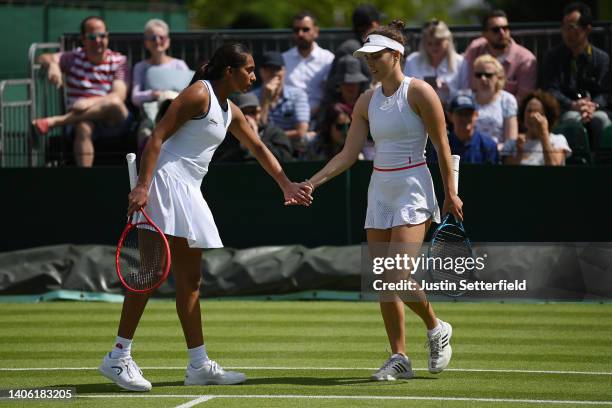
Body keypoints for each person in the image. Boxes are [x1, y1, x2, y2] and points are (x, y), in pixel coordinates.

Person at [98, 43, 312, 392]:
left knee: (192, 279)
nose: (254, 77)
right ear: (229, 71)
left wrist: (286, 184)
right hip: (163, 184)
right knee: (151, 272)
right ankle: (118, 356)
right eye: (249, 70)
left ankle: (198, 364)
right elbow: (158, 136)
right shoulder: (199, 93)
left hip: (189, 189)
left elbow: (258, 147)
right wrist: (142, 186)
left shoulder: (232, 111)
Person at [302, 20, 461, 381]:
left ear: (396, 54)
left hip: (413, 186)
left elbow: (442, 145)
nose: (369, 62)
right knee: (383, 279)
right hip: (380, 189)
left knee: (395, 275)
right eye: (366, 56)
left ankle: (436, 328)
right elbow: (347, 154)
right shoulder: (365, 101)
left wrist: (451, 191)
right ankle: (400, 357)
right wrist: (313, 182)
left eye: (376, 55)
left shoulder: (421, 92)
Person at [32, 16, 130, 167]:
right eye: (92, 36)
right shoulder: (74, 57)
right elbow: (43, 57)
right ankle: (85, 179)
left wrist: (88, 102)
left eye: (102, 36)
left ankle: (56, 121)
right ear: (83, 39)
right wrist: (53, 65)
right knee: (83, 127)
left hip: (113, 120)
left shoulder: (119, 61)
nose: (98, 40)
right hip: (80, 119)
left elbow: (119, 95)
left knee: (115, 103)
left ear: (107, 37)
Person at [542, 2, 611, 149]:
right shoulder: (553, 57)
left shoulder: (602, 58)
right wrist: (572, 104)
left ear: (587, 29)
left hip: (595, 110)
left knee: (602, 121)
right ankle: (576, 166)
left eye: (571, 27)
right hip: (565, 110)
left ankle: (601, 164)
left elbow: (606, 92)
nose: (566, 32)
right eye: (564, 27)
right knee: (572, 121)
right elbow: (551, 89)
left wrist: (593, 105)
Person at [131, 19, 190, 152]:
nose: (157, 41)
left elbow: (190, 91)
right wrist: (153, 94)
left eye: (161, 37)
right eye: (152, 38)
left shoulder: (179, 65)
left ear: (167, 41)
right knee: (145, 134)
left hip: (177, 114)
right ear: (146, 42)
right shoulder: (140, 67)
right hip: (151, 118)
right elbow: (135, 97)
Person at [457, 10, 536, 103]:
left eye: (505, 28)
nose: (502, 32)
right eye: (496, 30)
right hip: (474, 111)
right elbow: (467, 85)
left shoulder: (526, 59)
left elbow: (524, 99)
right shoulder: (475, 50)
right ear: (484, 34)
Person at [254, 51, 310, 156]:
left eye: (278, 69)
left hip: (292, 149)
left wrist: (271, 137)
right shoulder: (252, 97)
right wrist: (265, 99)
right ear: (261, 72)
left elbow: (301, 131)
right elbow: (257, 129)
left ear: (284, 71)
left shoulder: (298, 95)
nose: (274, 73)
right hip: (262, 151)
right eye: (269, 69)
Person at [213, 92, 294, 162]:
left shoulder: (274, 133)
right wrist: (242, 147)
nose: (249, 117)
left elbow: (286, 159)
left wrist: (257, 141)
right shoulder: (227, 136)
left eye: (253, 112)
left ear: (259, 112)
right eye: (243, 113)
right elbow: (218, 162)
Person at [283, 11, 335, 115]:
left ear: (316, 31)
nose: (300, 34)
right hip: (288, 118)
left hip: (320, 116)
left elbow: (331, 93)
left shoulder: (328, 59)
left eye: (305, 29)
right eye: (296, 30)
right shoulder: (284, 59)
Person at [501, 90, 572, 166]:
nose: (531, 116)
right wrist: (519, 152)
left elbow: (554, 165)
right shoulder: (512, 144)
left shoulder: (558, 141)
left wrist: (544, 135)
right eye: (529, 111)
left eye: (537, 112)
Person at [403, 19, 463, 105]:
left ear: (448, 41)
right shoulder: (412, 60)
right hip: (420, 110)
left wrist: (449, 89)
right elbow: (404, 91)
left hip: (453, 112)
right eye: (429, 43)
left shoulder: (460, 61)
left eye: (438, 43)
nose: (434, 47)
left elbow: (468, 93)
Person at [427, 94, 499, 164]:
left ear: (476, 115)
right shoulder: (441, 146)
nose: (464, 118)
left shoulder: (488, 145)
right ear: (450, 116)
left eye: (468, 114)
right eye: (460, 114)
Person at [471, 55, 518, 147]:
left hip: (498, 155)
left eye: (488, 75)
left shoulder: (507, 100)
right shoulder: (467, 99)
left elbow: (511, 141)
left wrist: (493, 151)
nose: (483, 78)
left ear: (499, 77)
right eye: (478, 75)